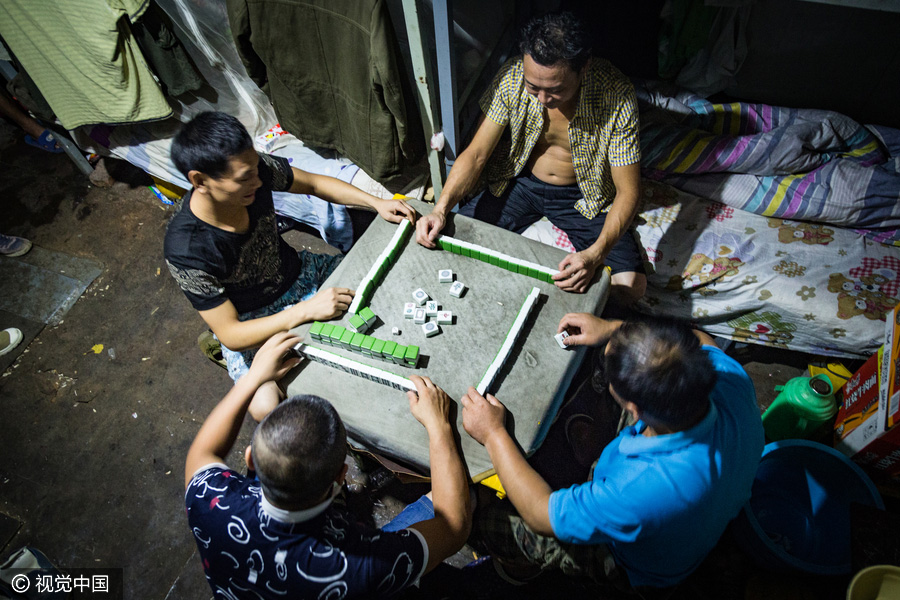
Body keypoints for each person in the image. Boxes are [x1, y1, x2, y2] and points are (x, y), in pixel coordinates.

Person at [461, 315, 764, 593]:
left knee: (482, 521)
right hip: (696, 513)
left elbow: (541, 514)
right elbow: (699, 338)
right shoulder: (729, 378)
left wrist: (493, 434)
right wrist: (615, 330)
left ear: (634, 409)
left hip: (633, 561)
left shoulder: (641, 489)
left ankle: (522, 568)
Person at [164, 111, 416, 419]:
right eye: (244, 178)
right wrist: (305, 312)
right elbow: (231, 332)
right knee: (263, 407)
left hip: (302, 276)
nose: (258, 181)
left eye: (256, 168)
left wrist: (376, 202)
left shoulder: (254, 172)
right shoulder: (187, 250)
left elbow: (312, 183)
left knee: (388, 288)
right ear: (200, 180)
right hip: (253, 320)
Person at [184, 331, 471, 599]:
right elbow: (454, 527)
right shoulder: (363, 563)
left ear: (250, 459)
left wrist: (253, 376)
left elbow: (202, 451)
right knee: (465, 498)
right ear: (340, 479)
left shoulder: (211, 503)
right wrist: (439, 426)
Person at [415, 12, 644, 302]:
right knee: (449, 241)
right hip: (520, 182)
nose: (543, 99)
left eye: (556, 90)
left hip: (582, 195)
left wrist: (595, 254)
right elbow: (476, 155)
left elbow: (629, 190)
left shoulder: (615, 95)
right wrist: (440, 208)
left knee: (631, 284)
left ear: (584, 67)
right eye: (533, 87)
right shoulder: (512, 77)